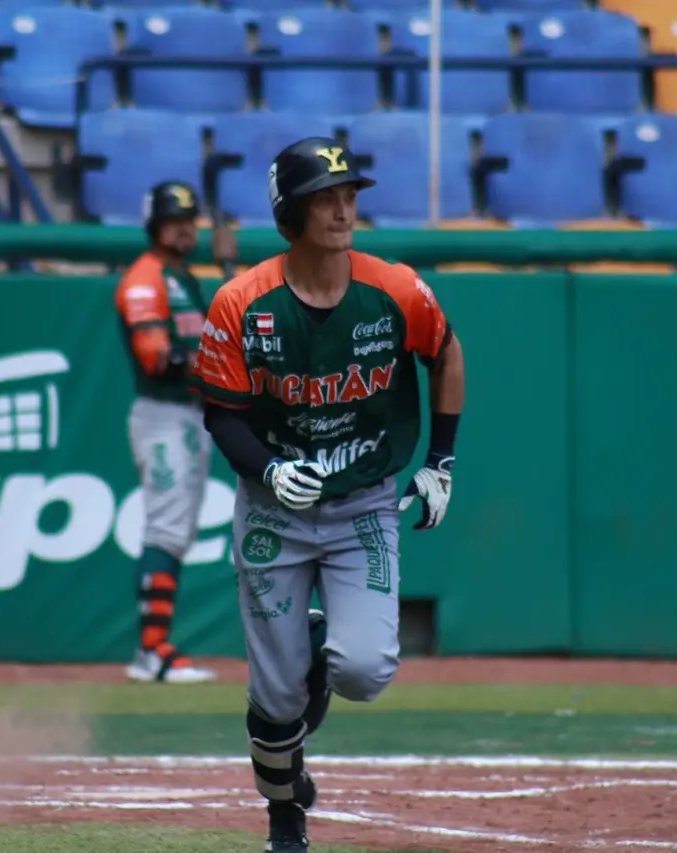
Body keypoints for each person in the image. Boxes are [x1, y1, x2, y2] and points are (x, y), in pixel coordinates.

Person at [190, 138, 465, 850]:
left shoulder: (396, 287)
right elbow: (222, 409)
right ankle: (286, 815)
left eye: (348, 195)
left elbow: (447, 353)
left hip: (363, 500)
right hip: (275, 509)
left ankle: (317, 646)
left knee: (365, 669)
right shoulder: (241, 302)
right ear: (292, 211)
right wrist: (268, 470)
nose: (343, 209)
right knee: (277, 698)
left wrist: (441, 460)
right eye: (324, 197)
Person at [115, 179, 238, 684]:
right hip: (163, 414)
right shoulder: (147, 277)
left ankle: (155, 648)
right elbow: (156, 355)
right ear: (155, 224)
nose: (185, 229)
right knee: (167, 527)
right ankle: (152, 651)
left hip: (189, 415)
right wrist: (218, 364)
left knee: (178, 530)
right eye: (175, 220)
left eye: (190, 220)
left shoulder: (181, 275)